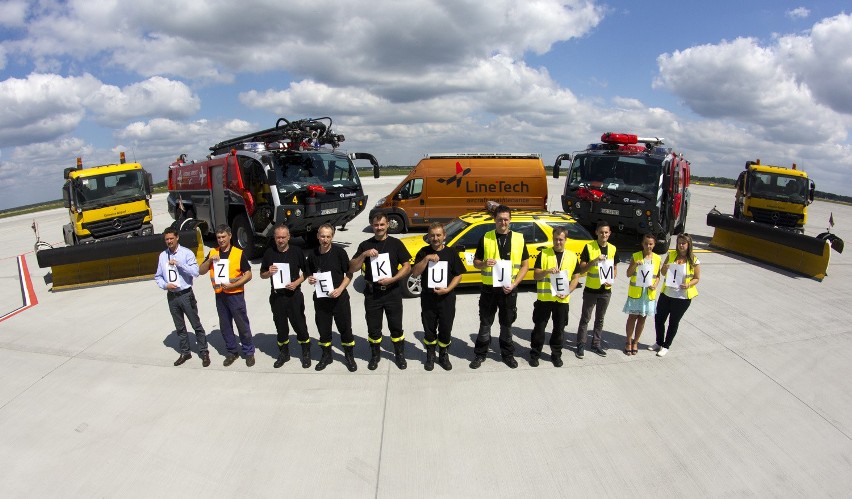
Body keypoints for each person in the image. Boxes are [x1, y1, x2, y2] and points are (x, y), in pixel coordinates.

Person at [349, 213, 412, 370]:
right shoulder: (365, 245)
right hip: (373, 294)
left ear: (387, 225)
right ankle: (375, 356)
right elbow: (352, 268)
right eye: (376, 225)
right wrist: (364, 255)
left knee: (396, 326)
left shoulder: (396, 244)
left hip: (392, 292)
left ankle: (399, 355)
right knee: (373, 327)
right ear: (372, 225)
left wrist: (393, 279)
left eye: (382, 225)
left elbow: (407, 266)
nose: (379, 228)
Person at [470, 204, 529, 369]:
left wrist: (515, 284)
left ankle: (507, 354)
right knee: (485, 323)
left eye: (506, 219)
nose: (503, 222)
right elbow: (475, 263)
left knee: (507, 324)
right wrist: (483, 263)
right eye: (500, 219)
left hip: (509, 290)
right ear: (494, 220)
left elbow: (525, 265)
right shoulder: (486, 237)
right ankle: (480, 354)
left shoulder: (518, 238)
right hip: (489, 290)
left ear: (510, 220)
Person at [199, 224, 256, 367]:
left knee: (242, 324)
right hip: (220, 295)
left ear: (230, 236)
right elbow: (201, 271)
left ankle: (248, 352)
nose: (221, 240)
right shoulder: (213, 252)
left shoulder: (238, 253)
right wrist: (209, 260)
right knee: (225, 326)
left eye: (223, 236)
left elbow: (248, 274)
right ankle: (232, 352)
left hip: (235, 295)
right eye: (218, 237)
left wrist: (234, 285)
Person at [411, 222, 465, 371]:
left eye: (438, 235)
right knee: (429, 329)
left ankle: (443, 354)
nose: (435, 238)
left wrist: (448, 289)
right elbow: (415, 273)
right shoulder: (423, 252)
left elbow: (458, 275)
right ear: (428, 236)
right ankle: (430, 355)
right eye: (432, 235)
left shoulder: (451, 253)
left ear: (444, 236)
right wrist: (426, 259)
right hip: (428, 298)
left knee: (446, 328)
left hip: (446, 299)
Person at [154, 227, 209, 367]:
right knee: (180, 327)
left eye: (171, 238)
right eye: (167, 239)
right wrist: (165, 285)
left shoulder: (186, 253)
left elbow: (195, 272)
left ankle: (203, 351)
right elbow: (158, 276)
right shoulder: (162, 256)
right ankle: (185, 352)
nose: (169, 241)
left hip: (185, 294)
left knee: (196, 324)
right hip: (172, 296)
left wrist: (179, 264)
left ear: (177, 238)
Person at [306, 224, 358, 372]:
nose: (325, 239)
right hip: (321, 300)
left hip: (339, 299)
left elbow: (349, 274)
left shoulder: (340, 253)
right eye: (322, 236)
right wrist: (310, 279)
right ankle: (326, 356)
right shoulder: (313, 254)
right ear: (317, 236)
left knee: (345, 329)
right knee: (323, 330)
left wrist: (340, 289)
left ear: (332, 237)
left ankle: (349, 356)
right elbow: (309, 273)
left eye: (328, 236)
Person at [260, 224, 311, 369]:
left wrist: (296, 283)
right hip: (277, 297)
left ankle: (306, 352)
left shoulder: (297, 251)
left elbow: (307, 272)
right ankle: (284, 353)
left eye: (283, 237)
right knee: (281, 327)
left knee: (300, 325)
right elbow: (262, 274)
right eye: (278, 237)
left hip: (294, 295)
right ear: (274, 238)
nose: (280, 240)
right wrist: (268, 272)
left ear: (288, 237)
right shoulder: (269, 253)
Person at [530, 226, 580, 367]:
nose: (558, 242)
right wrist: (546, 271)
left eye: (561, 240)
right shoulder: (544, 254)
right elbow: (536, 275)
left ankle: (556, 355)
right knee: (539, 329)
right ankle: (535, 354)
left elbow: (576, 278)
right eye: (556, 239)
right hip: (544, 300)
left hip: (562, 300)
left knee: (559, 330)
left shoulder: (572, 256)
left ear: (566, 240)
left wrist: (568, 291)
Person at [652, 233, 701, 357]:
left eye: (683, 243)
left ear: (689, 244)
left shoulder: (694, 260)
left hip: (682, 297)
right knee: (659, 319)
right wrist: (666, 267)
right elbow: (662, 273)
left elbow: (697, 278)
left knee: (673, 322)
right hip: (667, 294)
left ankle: (666, 346)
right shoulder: (671, 255)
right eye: (679, 243)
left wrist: (688, 284)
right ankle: (658, 342)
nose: (681, 245)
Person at [575, 220, 617, 359]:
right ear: (596, 233)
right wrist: (594, 261)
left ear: (609, 233)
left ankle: (596, 344)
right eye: (601, 232)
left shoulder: (613, 248)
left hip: (605, 290)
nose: (603, 235)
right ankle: (580, 344)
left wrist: (611, 278)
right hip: (591, 290)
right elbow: (582, 268)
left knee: (600, 319)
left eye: (606, 232)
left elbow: (615, 269)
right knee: (585, 318)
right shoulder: (589, 247)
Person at [623, 234, 661, 355]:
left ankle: (636, 342)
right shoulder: (636, 256)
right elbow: (628, 274)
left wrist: (655, 285)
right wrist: (635, 265)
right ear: (642, 244)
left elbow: (658, 276)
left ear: (654, 245)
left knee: (642, 319)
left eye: (650, 244)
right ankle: (628, 341)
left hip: (648, 294)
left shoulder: (657, 258)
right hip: (636, 293)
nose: (648, 246)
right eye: (646, 243)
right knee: (632, 318)